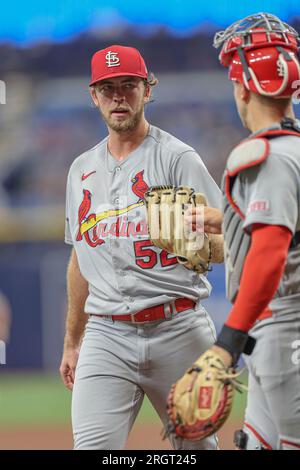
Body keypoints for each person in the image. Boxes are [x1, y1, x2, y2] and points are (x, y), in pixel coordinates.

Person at [59, 44, 222, 450]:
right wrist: (72, 340)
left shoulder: (178, 158)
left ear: (148, 90)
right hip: (106, 333)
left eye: (129, 85)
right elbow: (80, 256)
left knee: (196, 450)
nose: (118, 96)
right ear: (93, 96)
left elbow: (225, 244)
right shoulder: (80, 170)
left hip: (178, 327)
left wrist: (198, 239)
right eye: (108, 87)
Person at [186, 12, 300, 450]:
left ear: (243, 87)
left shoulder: (263, 155)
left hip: (284, 325)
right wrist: (226, 220)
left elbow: (270, 254)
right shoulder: (292, 150)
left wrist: (227, 341)